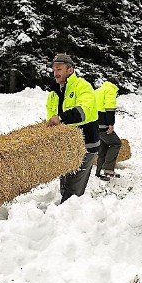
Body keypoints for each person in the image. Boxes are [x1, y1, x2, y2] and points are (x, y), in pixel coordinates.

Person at [45, 54, 100, 203]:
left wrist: (61, 118)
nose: (56, 73)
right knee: (65, 182)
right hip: (67, 146)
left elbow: (85, 111)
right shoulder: (53, 93)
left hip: (85, 144)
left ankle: (68, 217)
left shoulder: (82, 86)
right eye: (54, 69)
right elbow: (51, 119)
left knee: (73, 188)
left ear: (70, 70)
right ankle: (65, 212)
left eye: (59, 69)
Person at [94, 78, 122, 181]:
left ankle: (99, 172)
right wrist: (111, 124)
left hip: (94, 124)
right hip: (103, 124)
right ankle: (108, 170)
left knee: (103, 148)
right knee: (116, 143)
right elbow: (109, 108)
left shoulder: (98, 91)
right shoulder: (110, 90)